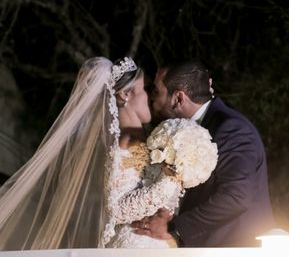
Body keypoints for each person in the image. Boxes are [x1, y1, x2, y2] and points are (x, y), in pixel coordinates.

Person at [0, 56, 183, 249]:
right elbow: (116, 209)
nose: (150, 96)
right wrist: (171, 179)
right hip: (136, 243)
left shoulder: (153, 138)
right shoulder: (122, 146)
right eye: (144, 90)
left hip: (161, 240)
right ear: (125, 95)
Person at [132, 60, 274, 247]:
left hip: (233, 247)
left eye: (157, 92)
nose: (152, 99)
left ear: (178, 98)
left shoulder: (231, 129)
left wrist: (175, 227)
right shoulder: (179, 130)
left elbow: (237, 195)